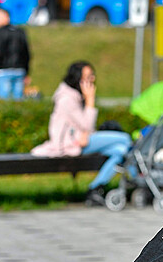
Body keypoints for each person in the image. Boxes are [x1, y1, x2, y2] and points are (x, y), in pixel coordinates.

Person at [30, 61, 132, 206]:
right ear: (77, 78)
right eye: (88, 77)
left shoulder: (74, 95)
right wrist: (90, 100)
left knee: (120, 151)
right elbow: (87, 125)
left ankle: (94, 189)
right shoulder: (66, 99)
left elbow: (84, 127)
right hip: (71, 143)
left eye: (92, 76)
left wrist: (84, 131)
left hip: (82, 139)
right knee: (125, 139)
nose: (92, 80)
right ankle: (133, 181)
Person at [0, 8, 31, 100]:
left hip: (3, 71)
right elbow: (26, 53)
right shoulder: (20, 32)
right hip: (20, 70)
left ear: (6, 17)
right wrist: (26, 71)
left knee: (4, 103)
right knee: (18, 103)